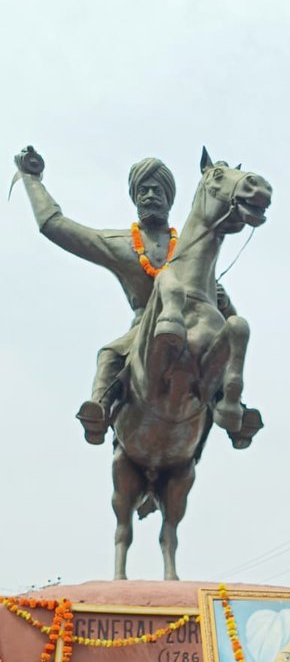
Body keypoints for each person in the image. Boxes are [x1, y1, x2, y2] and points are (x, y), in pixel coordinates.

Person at [13, 145, 261, 448]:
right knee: (110, 354)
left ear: (170, 197)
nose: (150, 195)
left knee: (224, 340)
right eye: (143, 189)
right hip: (146, 329)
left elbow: (228, 314)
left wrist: (219, 296)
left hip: (197, 324)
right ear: (134, 196)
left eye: (157, 189)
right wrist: (31, 179)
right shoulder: (121, 245)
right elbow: (55, 225)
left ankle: (232, 406)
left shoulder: (191, 248)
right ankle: (100, 409)